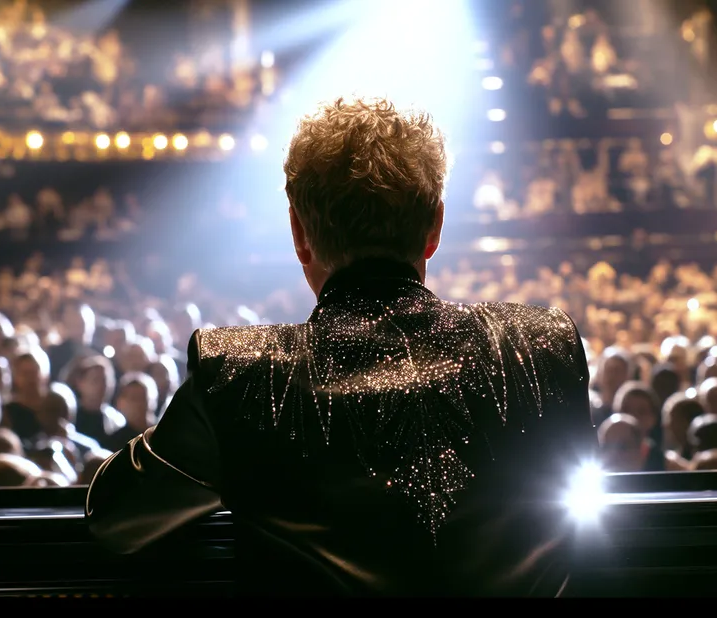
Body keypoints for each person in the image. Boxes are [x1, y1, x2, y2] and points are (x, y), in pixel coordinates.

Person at [85, 96, 596, 596]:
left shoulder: (242, 374)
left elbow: (115, 516)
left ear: (299, 235)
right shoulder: (543, 347)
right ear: (434, 227)